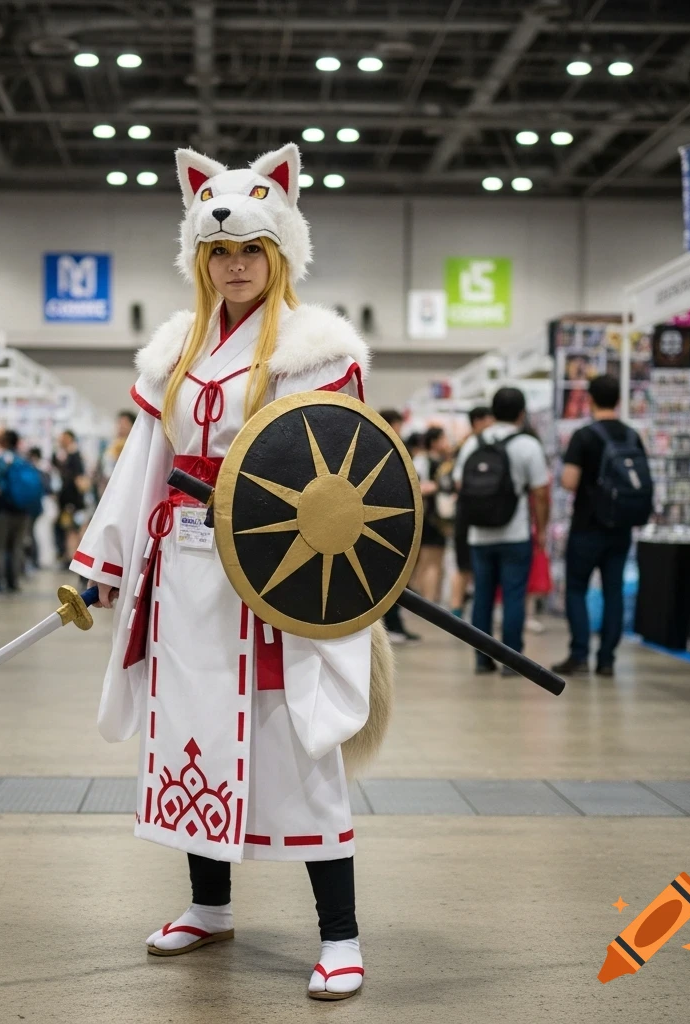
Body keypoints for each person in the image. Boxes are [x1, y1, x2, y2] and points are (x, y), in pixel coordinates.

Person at [70, 144, 373, 1000]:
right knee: (193, 734)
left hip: (271, 583)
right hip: (184, 582)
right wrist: (106, 559)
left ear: (279, 253)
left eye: (249, 252)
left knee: (296, 748)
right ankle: (210, 904)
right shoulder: (180, 351)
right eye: (220, 254)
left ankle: (342, 936)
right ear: (200, 260)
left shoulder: (315, 351)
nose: (235, 267)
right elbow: (146, 460)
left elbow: (339, 472)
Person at [453, 387, 549, 675]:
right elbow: (541, 492)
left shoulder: (474, 443)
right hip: (515, 533)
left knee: (482, 595)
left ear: (493, 412)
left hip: (479, 534)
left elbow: (460, 484)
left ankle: (482, 659)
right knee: (513, 596)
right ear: (521, 413)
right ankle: (511, 660)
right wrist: (541, 529)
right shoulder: (528, 445)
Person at [553, 375, 643, 677]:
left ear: (590, 399)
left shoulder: (584, 436)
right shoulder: (632, 436)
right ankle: (607, 660)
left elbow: (569, 481)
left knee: (576, 589)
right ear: (619, 400)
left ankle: (579, 655)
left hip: (587, 526)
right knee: (613, 591)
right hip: (621, 527)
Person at [377, 410, 419, 643]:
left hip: (384, 524)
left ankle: (395, 625)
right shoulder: (392, 448)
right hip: (390, 525)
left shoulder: (373, 445)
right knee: (391, 578)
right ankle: (393, 625)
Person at [449, 406, 494, 617]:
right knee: (464, 565)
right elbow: (458, 481)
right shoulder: (473, 445)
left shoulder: (471, 445)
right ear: (478, 421)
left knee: (466, 564)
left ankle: (459, 610)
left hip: (468, 512)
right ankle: (456, 609)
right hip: (471, 514)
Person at [411, 426, 452, 604]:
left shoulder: (437, 460)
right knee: (431, 560)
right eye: (443, 438)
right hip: (430, 517)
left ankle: (429, 598)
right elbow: (416, 486)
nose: (446, 443)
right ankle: (429, 600)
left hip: (436, 517)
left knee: (433, 559)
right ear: (434, 441)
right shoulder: (423, 460)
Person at [0, 429, 29, 592]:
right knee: (17, 546)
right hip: (23, 510)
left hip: (4, 509)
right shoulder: (23, 460)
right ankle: (13, 581)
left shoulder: (1, 459)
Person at [53, 430, 88, 565]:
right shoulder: (65, 456)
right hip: (69, 502)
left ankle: (74, 559)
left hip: (74, 502)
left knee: (73, 531)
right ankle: (71, 558)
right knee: (70, 530)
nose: (61, 441)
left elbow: (80, 480)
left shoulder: (75, 457)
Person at [96, 411, 135, 498]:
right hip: (108, 490)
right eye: (119, 423)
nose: (121, 426)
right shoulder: (111, 445)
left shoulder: (134, 447)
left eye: (125, 423)